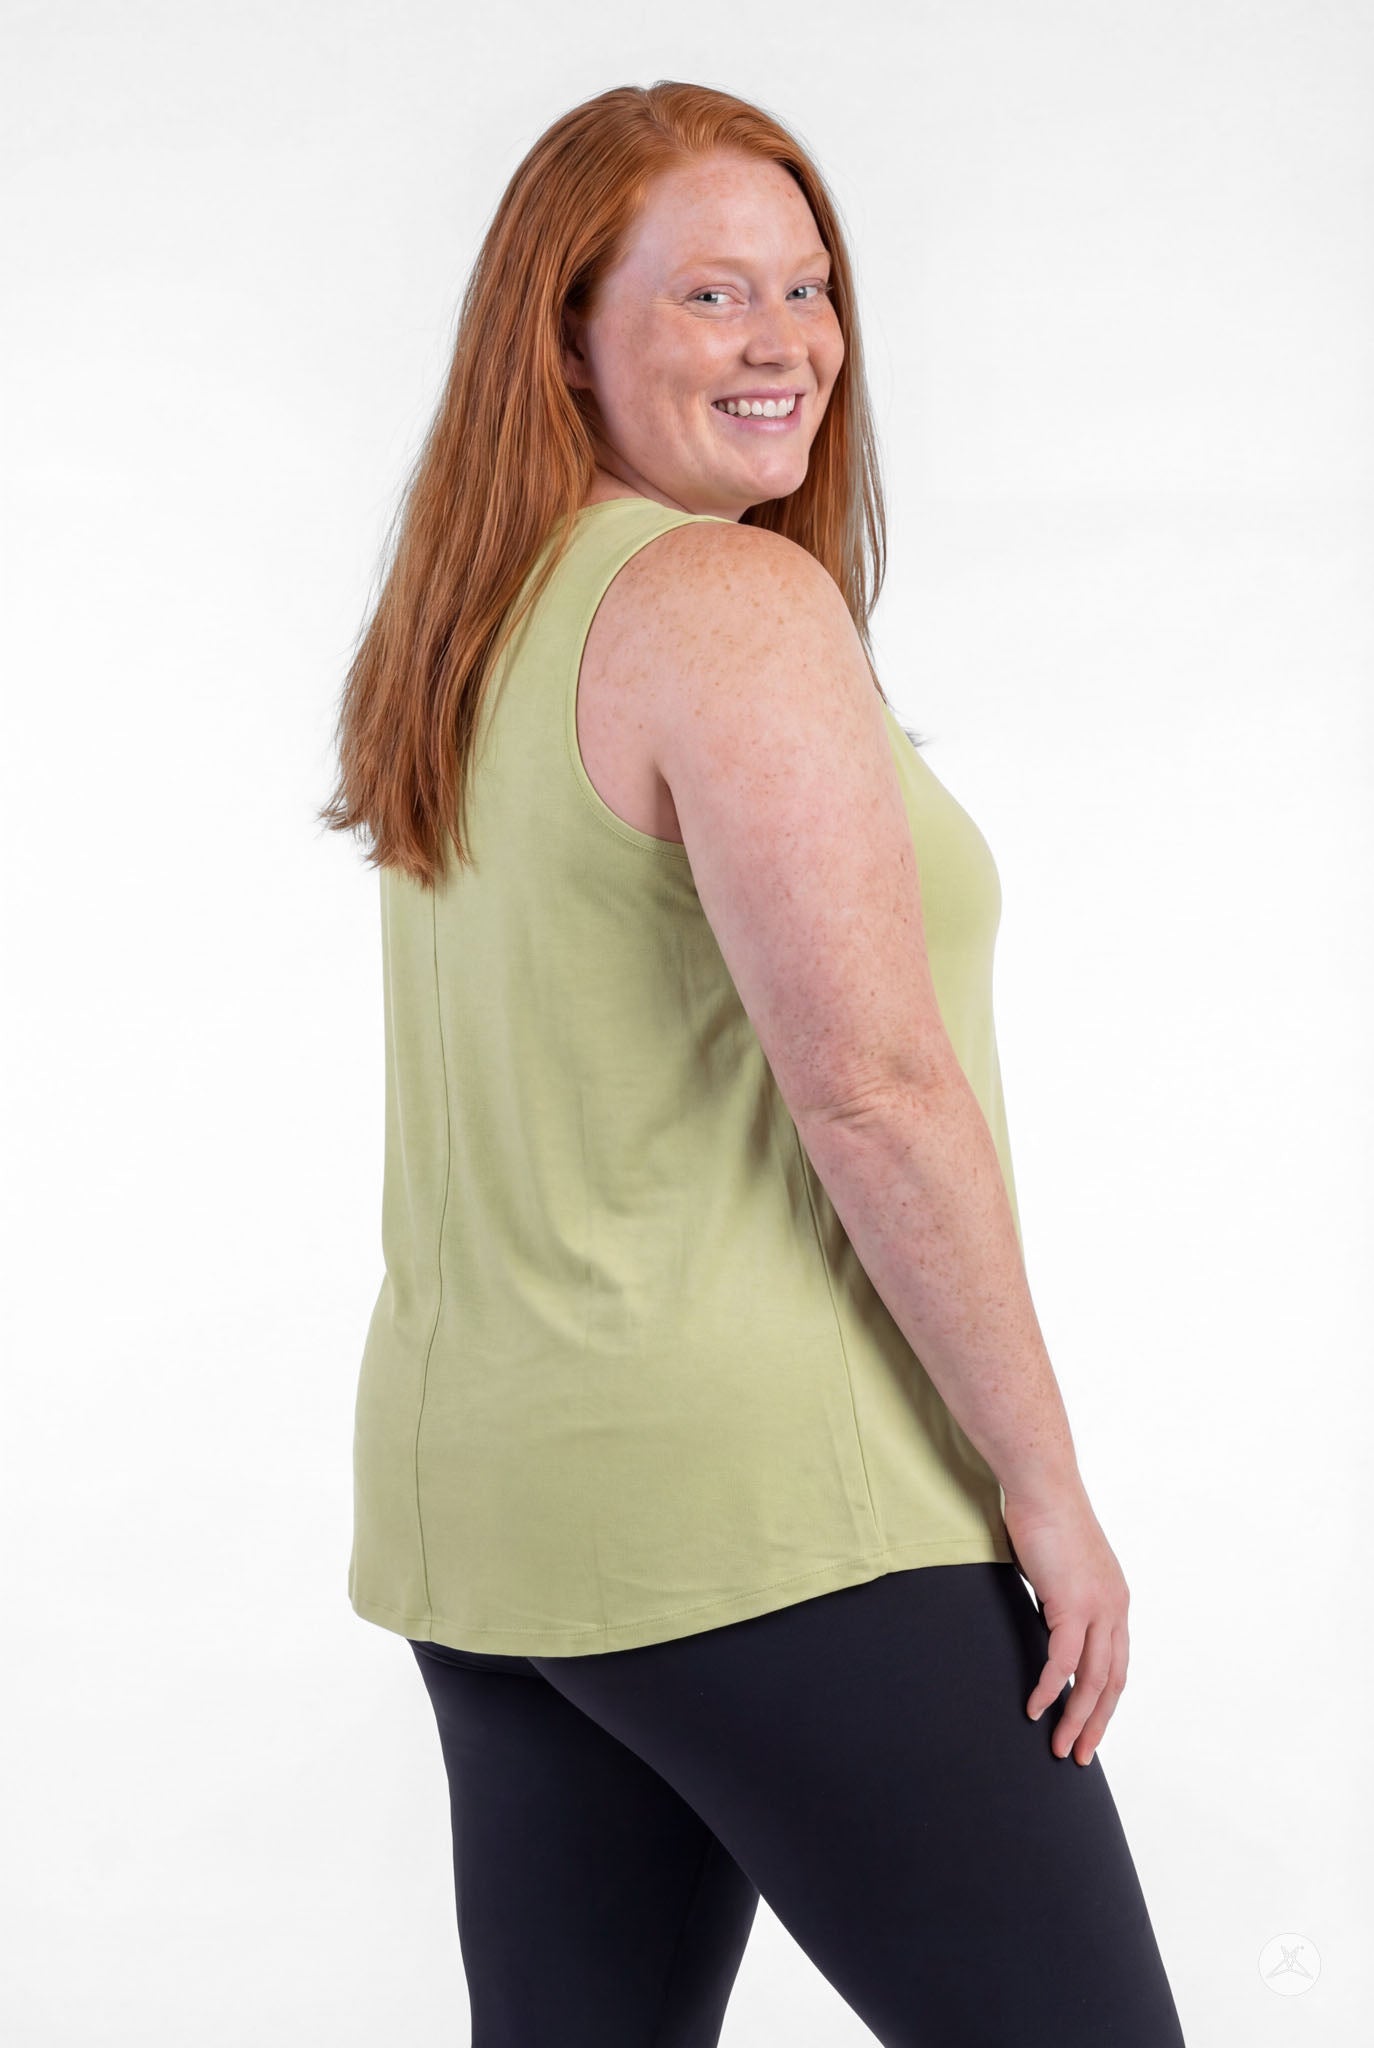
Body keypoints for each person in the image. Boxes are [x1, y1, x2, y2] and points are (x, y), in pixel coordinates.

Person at [319, 79, 1187, 2048]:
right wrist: (1041, 1482)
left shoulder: (464, 626)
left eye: (807, 285)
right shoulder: (721, 600)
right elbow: (873, 1083)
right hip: (764, 1514)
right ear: (567, 328)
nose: (787, 339)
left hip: (491, 1514)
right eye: (714, 293)